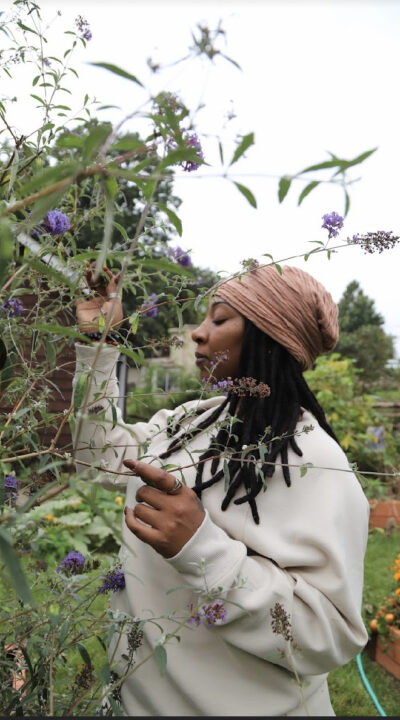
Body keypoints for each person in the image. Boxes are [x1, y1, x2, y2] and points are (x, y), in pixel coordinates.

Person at [73, 263, 369, 717]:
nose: (197, 333)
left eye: (219, 318)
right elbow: (98, 451)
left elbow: (329, 635)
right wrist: (99, 346)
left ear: (270, 336)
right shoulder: (193, 419)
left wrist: (200, 548)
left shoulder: (314, 460)